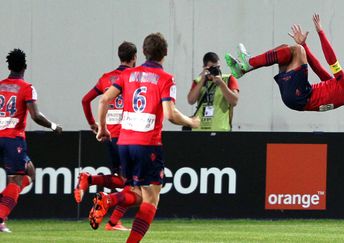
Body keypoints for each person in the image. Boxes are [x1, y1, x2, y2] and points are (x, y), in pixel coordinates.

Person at [89, 33, 200, 242]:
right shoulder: (166, 79)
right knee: (152, 199)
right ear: (165, 53)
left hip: (124, 142)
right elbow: (170, 114)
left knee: (138, 194)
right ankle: (110, 200)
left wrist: (102, 128)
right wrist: (191, 122)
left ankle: (108, 199)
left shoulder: (128, 74)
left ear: (144, 52)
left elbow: (104, 100)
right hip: (147, 144)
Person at [225, 14, 344, 112]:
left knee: (297, 51)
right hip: (294, 97)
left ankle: (248, 62)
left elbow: (332, 60)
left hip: (301, 95)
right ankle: (243, 69)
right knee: (285, 50)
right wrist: (305, 45)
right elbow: (320, 70)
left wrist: (320, 32)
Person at [76, 41, 138, 231]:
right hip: (127, 135)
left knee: (123, 180)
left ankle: (90, 181)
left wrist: (93, 124)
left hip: (109, 136)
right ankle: (111, 217)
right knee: (136, 185)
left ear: (119, 56)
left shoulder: (106, 78)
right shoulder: (133, 77)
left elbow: (85, 100)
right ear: (134, 57)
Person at [0, 49, 62, 233]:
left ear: (9, 66)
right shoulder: (27, 87)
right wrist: (53, 126)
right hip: (12, 139)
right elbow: (35, 115)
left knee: (30, 171)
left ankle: (3, 205)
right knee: (16, 182)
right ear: (25, 67)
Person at [187, 52, 239, 131]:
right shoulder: (198, 81)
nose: (216, 70)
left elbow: (234, 101)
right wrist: (202, 80)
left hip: (220, 131)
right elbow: (191, 100)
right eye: (212, 68)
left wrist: (221, 84)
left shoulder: (228, 79)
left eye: (218, 67)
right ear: (205, 67)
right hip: (199, 131)